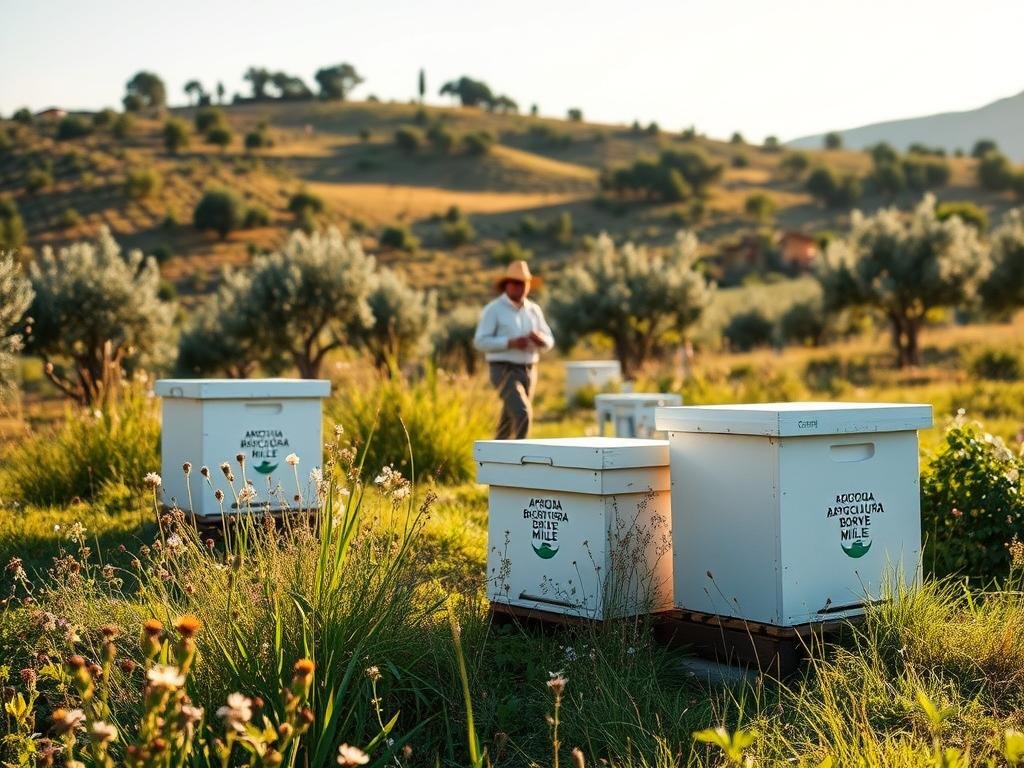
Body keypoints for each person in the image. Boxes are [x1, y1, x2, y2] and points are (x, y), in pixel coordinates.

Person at [473, 260, 554, 439]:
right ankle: (520, 463)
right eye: (515, 282)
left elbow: (549, 341)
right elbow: (480, 342)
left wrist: (539, 340)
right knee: (522, 413)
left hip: (529, 370)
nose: (519, 287)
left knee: (508, 422)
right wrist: (509, 343)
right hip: (503, 369)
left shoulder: (534, 310)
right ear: (506, 285)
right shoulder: (493, 310)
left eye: (523, 283)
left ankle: (495, 462)